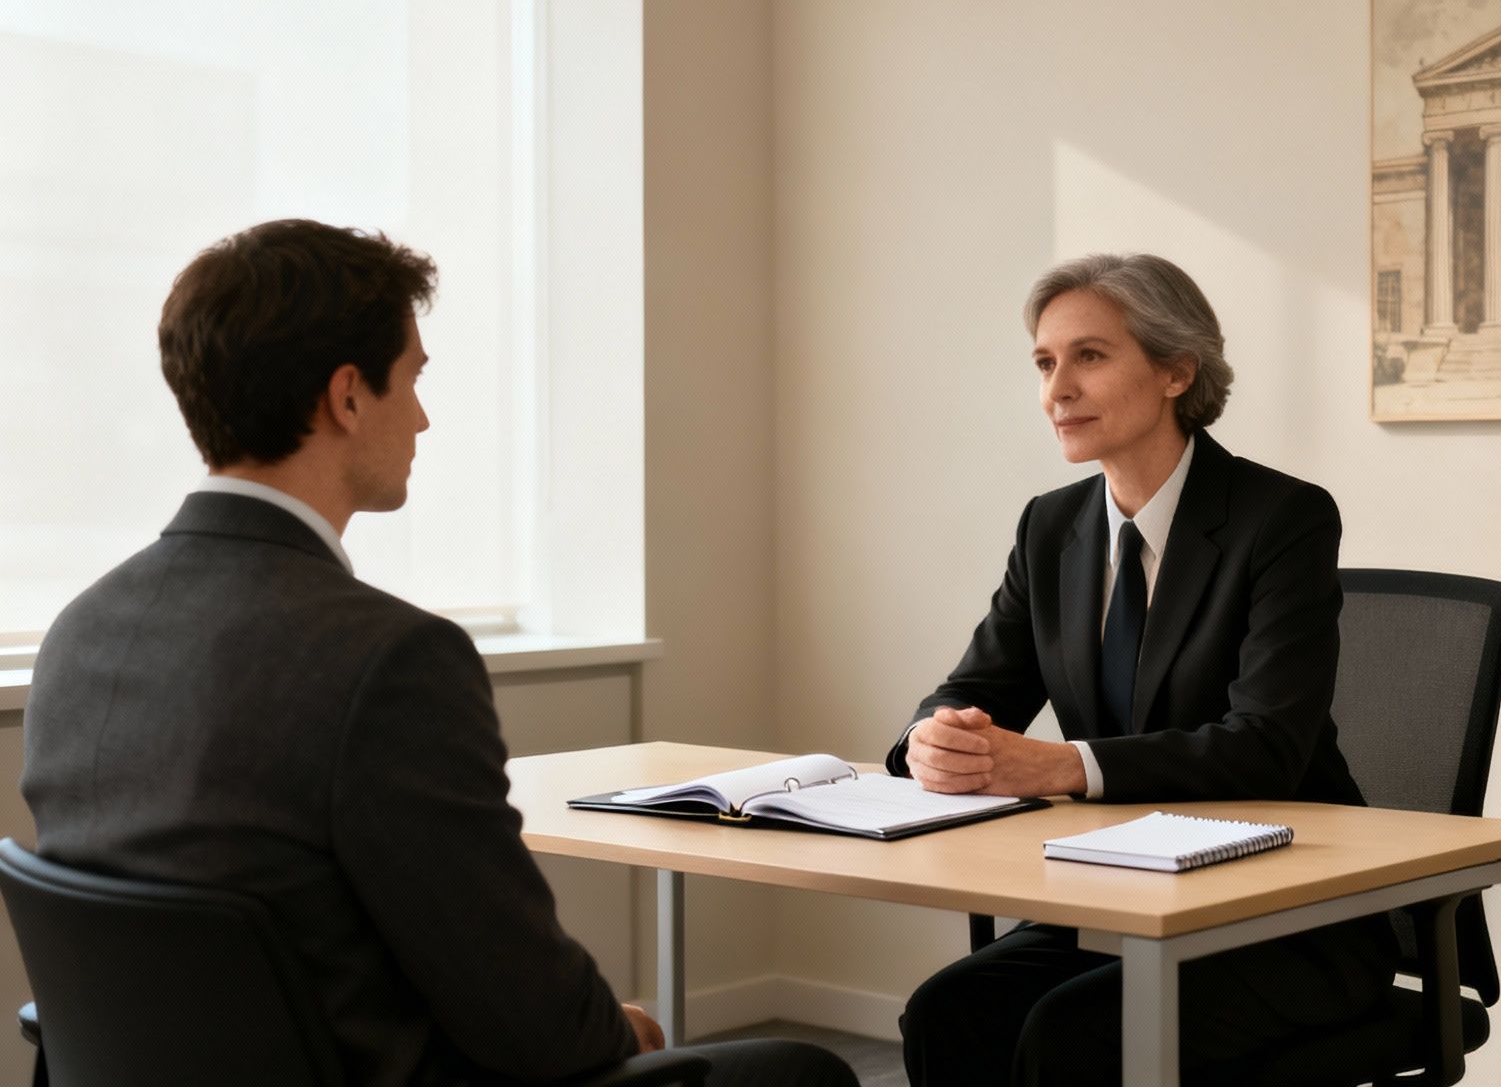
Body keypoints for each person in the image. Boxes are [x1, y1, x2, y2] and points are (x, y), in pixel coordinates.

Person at [22, 220, 854, 1087]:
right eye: (413, 378)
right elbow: (533, 1019)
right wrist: (620, 1027)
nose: (422, 416)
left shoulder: (82, 630)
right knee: (801, 1073)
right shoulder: (388, 659)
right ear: (347, 396)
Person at [885, 253, 1398, 1086]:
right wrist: (934, 737)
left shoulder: (1283, 519)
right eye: (1046, 363)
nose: (1057, 390)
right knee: (950, 1012)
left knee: (1075, 1035)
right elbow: (976, 687)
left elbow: (1266, 744)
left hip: (1291, 908)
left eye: (1089, 356)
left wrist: (1060, 764)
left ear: (1175, 371)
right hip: (1123, 889)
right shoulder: (1049, 528)